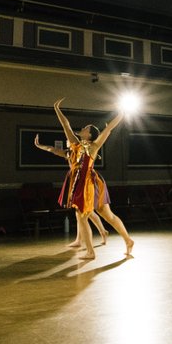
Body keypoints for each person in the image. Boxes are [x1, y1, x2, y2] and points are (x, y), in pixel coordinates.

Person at [52, 98, 134, 259]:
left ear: (89, 134)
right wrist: (56, 108)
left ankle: (91, 252)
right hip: (80, 182)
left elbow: (109, 128)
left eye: (85, 128)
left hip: (90, 182)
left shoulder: (94, 145)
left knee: (87, 215)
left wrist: (122, 113)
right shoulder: (75, 144)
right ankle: (128, 240)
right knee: (102, 215)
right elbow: (65, 125)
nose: (81, 128)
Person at [32, 133, 109, 247]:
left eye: (69, 140)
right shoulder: (68, 153)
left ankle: (96, 234)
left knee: (85, 211)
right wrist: (39, 146)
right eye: (67, 140)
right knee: (82, 211)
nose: (67, 141)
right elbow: (51, 149)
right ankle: (90, 236)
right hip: (76, 182)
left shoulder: (81, 150)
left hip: (87, 182)